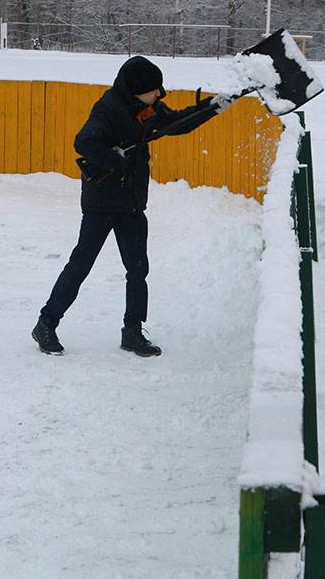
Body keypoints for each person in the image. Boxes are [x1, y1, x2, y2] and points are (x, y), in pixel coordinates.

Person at [31, 56, 230, 357]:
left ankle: (133, 332)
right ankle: (46, 324)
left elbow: (176, 124)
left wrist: (212, 108)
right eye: (155, 90)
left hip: (132, 203)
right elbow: (83, 142)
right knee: (81, 265)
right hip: (102, 202)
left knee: (138, 269)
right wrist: (117, 160)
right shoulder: (108, 109)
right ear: (136, 89)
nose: (160, 95)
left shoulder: (146, 108)